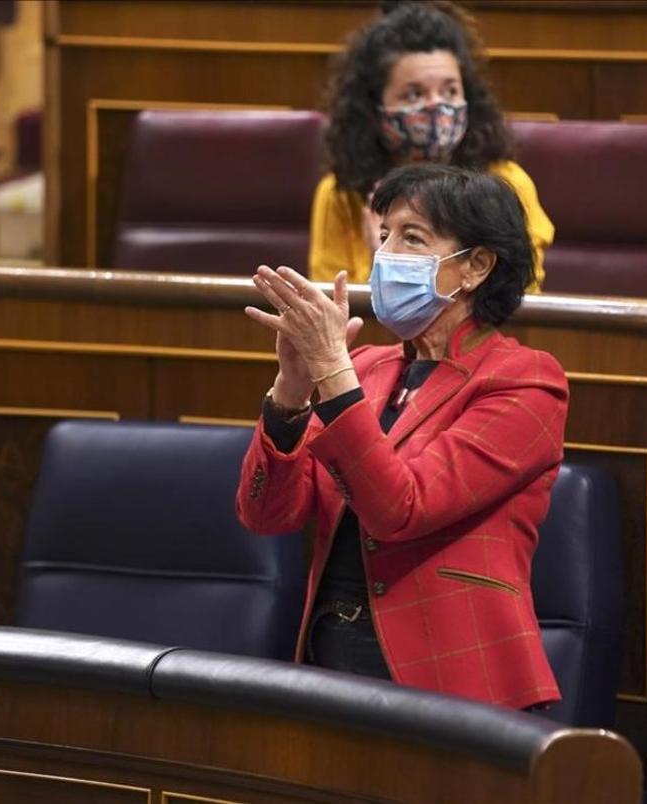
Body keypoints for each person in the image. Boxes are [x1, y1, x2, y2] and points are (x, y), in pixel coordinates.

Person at [237, 164, 566, 711]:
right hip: (331, 659)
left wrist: (332, 375)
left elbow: (401, 509)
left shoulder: (526, 381)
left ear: (477, 266)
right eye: (384, 234)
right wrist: (290, 395)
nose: (386, 253)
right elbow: (266, 514)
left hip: (453, 678)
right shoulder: (365, 368)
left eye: (412, 237)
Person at [309, 1, 555, 290]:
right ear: (374, 108)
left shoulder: (506, 184)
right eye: (414, 95)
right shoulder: (342, 195)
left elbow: (519, 298)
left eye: (450, 90)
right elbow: (330, 309)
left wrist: (402, 265)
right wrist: (383, 263)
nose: (437, 107)